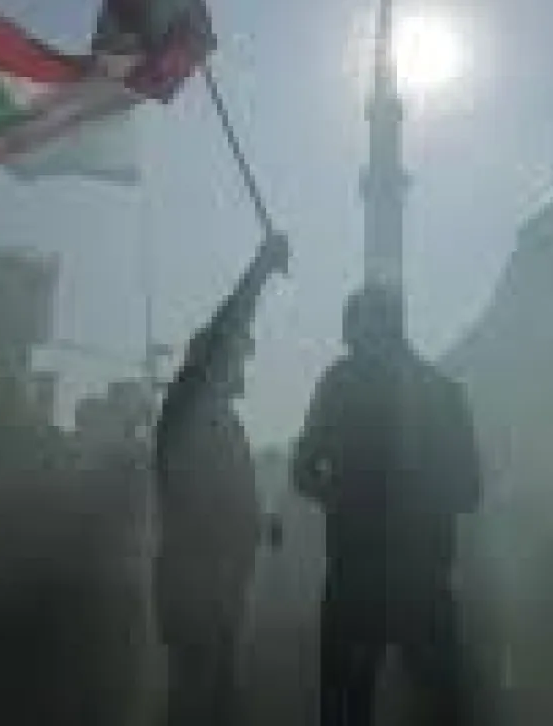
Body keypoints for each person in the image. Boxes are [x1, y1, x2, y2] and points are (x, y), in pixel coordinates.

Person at [292, 284, 482, 726]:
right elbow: (469, 490)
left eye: (352, 333)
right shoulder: (443, 392)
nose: (347, 344)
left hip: (358, 579)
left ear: (371, 328)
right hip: (421, 580)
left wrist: (345, 497)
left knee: (347, 710)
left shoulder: (340, 385)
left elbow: (303, 471)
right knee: (438, 708)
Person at [153, 231, 289, 726]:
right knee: (197, 700)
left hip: (219, 587)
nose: (245, 364)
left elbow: (226, 498)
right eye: (239, 355)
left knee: (213, 700)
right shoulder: (190, 404)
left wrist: (259, 520)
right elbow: (231, 320)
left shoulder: (221, 421)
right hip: (195, 584)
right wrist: (260, 267)